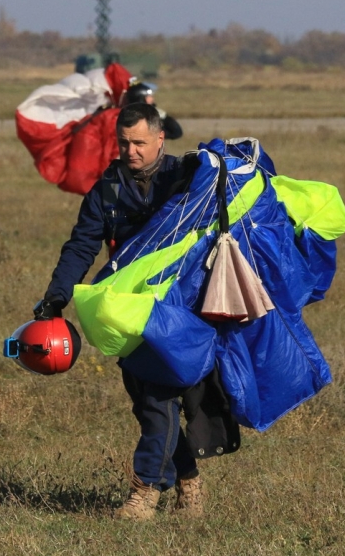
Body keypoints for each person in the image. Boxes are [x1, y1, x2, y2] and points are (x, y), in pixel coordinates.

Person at [33, 103, 239, 520]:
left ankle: (145, 494)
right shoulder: (107, 189)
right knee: (146, 401)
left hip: (178, 311)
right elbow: (81, 246)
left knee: (157, 400)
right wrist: (56, 298)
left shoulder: (185, 178)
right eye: (124, 143)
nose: (131, 151)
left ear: (160, 139)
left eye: (139, 143)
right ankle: (190, 485)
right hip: (128, 312)